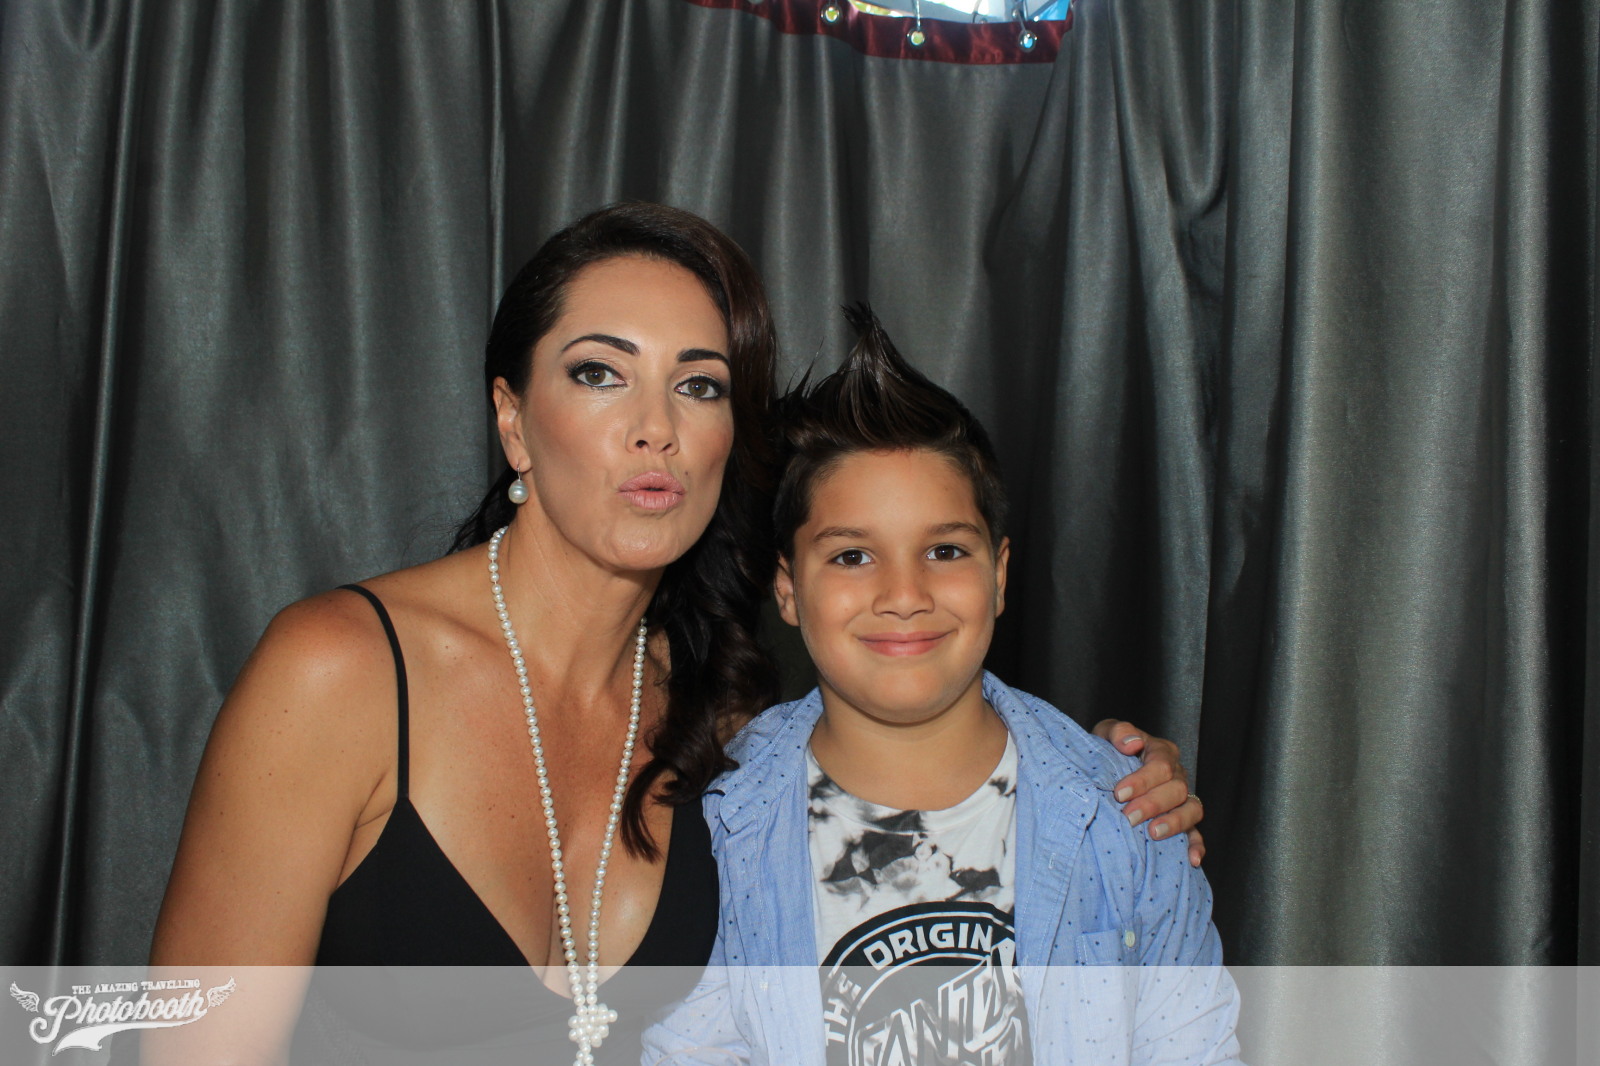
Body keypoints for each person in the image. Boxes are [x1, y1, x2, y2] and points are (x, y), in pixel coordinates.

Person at [147, 205, 1204, 1065]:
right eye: (599, 372)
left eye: (698, 385)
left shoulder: (730, 726)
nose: (654, 426)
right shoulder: (339, 673)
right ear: (513, 418)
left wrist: (1121, 790)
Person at [643, 308, 1239, 1065]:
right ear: (787, 590)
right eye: (852, 556)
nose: (904, 594)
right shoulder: (718, 828)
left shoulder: (1128, 818)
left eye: (946, 550)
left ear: (999, 574)